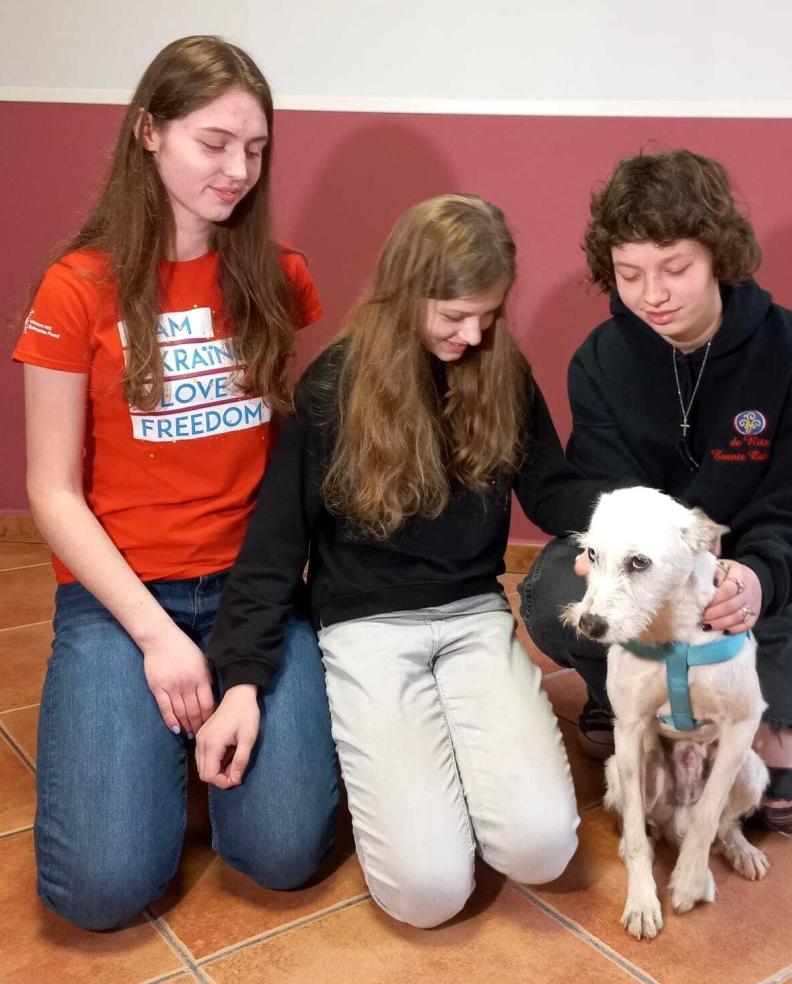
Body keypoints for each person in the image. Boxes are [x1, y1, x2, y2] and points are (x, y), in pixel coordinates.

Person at [13, 36, 339, 930]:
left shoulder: (279, 279)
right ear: (148, 133)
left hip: (254, 590)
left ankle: (193, 732)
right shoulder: (75, 288)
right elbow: (51, 491)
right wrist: (158, 639)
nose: (237, 170)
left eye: (256, 149)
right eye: (214, 142)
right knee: (101, 893)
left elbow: (287, 464)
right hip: (122, 600)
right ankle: (154, 730)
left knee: (282, 855)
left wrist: (249, 638)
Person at [196, 194, 581, 929]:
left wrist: (643, 521)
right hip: (367, 628)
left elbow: (555, 491)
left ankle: (453, 755)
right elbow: (273, 552)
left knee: (541, 849)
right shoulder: (330, 389)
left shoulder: (500, 369)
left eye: (488, 315)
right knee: (427, 895)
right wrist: (241, 682)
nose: (472, 335)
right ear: (407, 290)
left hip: (471, 617)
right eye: (454, 315)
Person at [519, 149, 792, 832]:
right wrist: (607, 551)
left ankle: (694, 701)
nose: (653, 295)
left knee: (785, 794)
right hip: (645, 578)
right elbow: (605, 493)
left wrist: (758, 579)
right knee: (556, 590)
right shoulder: (601, 361)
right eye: (629, 274)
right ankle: (627, 698)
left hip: (739, 580)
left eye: (675, 269)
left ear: (718, 256)